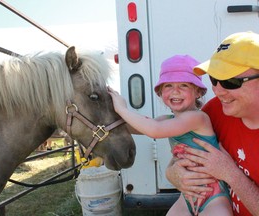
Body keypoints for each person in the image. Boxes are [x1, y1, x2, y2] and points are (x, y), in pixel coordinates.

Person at [108, 55, 232, 216]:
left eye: (184, 85)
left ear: (198, 92)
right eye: (168, 85)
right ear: (160, 92)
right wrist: (108, 117)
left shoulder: (197, 118)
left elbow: (154, 130)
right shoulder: (167, 120)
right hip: (187, 197)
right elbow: (140, 126)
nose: (176, 91)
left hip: (214, 196)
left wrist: (122, 109)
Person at [166, 31, 259, 216]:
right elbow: (186, 153)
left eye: (230, 82)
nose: (218, 91)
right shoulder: (216, 110)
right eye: (214, 79)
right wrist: (174, 174)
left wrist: (230, 173)